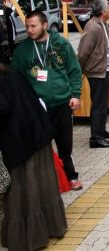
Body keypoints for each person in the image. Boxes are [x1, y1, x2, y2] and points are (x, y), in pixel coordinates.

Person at [12, 10, 84, 191]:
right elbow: (16, 80)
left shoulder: (61, 44)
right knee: (41, 146)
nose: (29, 30)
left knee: (65, 144)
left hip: (62, 104)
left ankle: (71, 176)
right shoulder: (22, 51)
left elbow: (74, 70)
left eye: (33, 26)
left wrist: (76, 95)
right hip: (37, 108)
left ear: (44, 25)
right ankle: (46, 181)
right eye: (27, 26)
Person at [0, 63, 68, 251]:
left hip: (19, 142)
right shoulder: (13, 72)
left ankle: (29, 237)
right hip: (38, 134)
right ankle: (52, 227)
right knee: (42, 184)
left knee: (22, 189)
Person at [77, 0, 109, 149]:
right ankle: (96, 138)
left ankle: (101, 131)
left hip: (103, 69)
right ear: (102, 12)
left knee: (102, 104)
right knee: (98, 105)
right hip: (96, 71)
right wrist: (80, 71)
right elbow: (83, 53)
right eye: (108, 8)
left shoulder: (102, 25)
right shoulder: (93, 27)